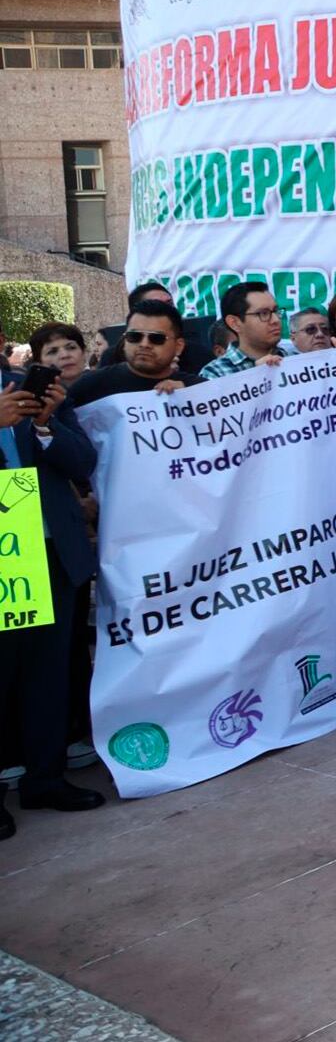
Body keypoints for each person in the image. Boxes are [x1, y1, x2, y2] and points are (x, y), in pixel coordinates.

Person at [0, 353, 101, 840]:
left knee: (48, 670)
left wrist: (45, 426)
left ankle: (45, 778)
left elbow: (84, 460)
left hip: (47, 549)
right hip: (3, 553)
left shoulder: (32, 388)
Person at [68, 300, 200, 406]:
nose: (144, 344)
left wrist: (191, 399)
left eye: (156, 338)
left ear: (178, 346)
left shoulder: (201, 391)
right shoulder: (89, 387)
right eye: (134, 336)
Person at [200, 282, 286, 379]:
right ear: (234, 323)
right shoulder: (215, 373)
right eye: (264, 313)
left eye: (275, 311)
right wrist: (257, 377)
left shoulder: (294, 359)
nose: (275, 320)